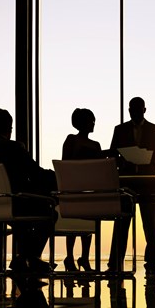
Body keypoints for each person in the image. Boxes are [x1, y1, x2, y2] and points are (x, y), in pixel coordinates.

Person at [0, 108, 57, 274]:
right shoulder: (14, 148)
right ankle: (29, 257)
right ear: (10, 128)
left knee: (24, 217)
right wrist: (56, 176)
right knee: (48, 211)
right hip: (12, 204)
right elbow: (35, 173)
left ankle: (25, 259)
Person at [108, 97, 155, 276]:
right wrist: (123, 159)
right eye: (131, 110)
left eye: (137, 109)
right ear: (129, 111)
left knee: (150, 223)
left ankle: (152, 264)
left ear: (144, 110)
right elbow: (112, 153)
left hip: (149, 182)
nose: (134, 112)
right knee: (122, 223)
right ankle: (115, 264)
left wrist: (153, 157)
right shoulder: (119, 130)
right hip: (126, 180)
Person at [60, 108, 102, 272]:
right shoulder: (72, 140)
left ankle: (83, 257)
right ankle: (71, 257)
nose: (93, 123)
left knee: (86, 223)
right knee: (76, 222)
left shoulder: (93, 144)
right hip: (76, 189)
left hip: (85, 189)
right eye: (91, 120)